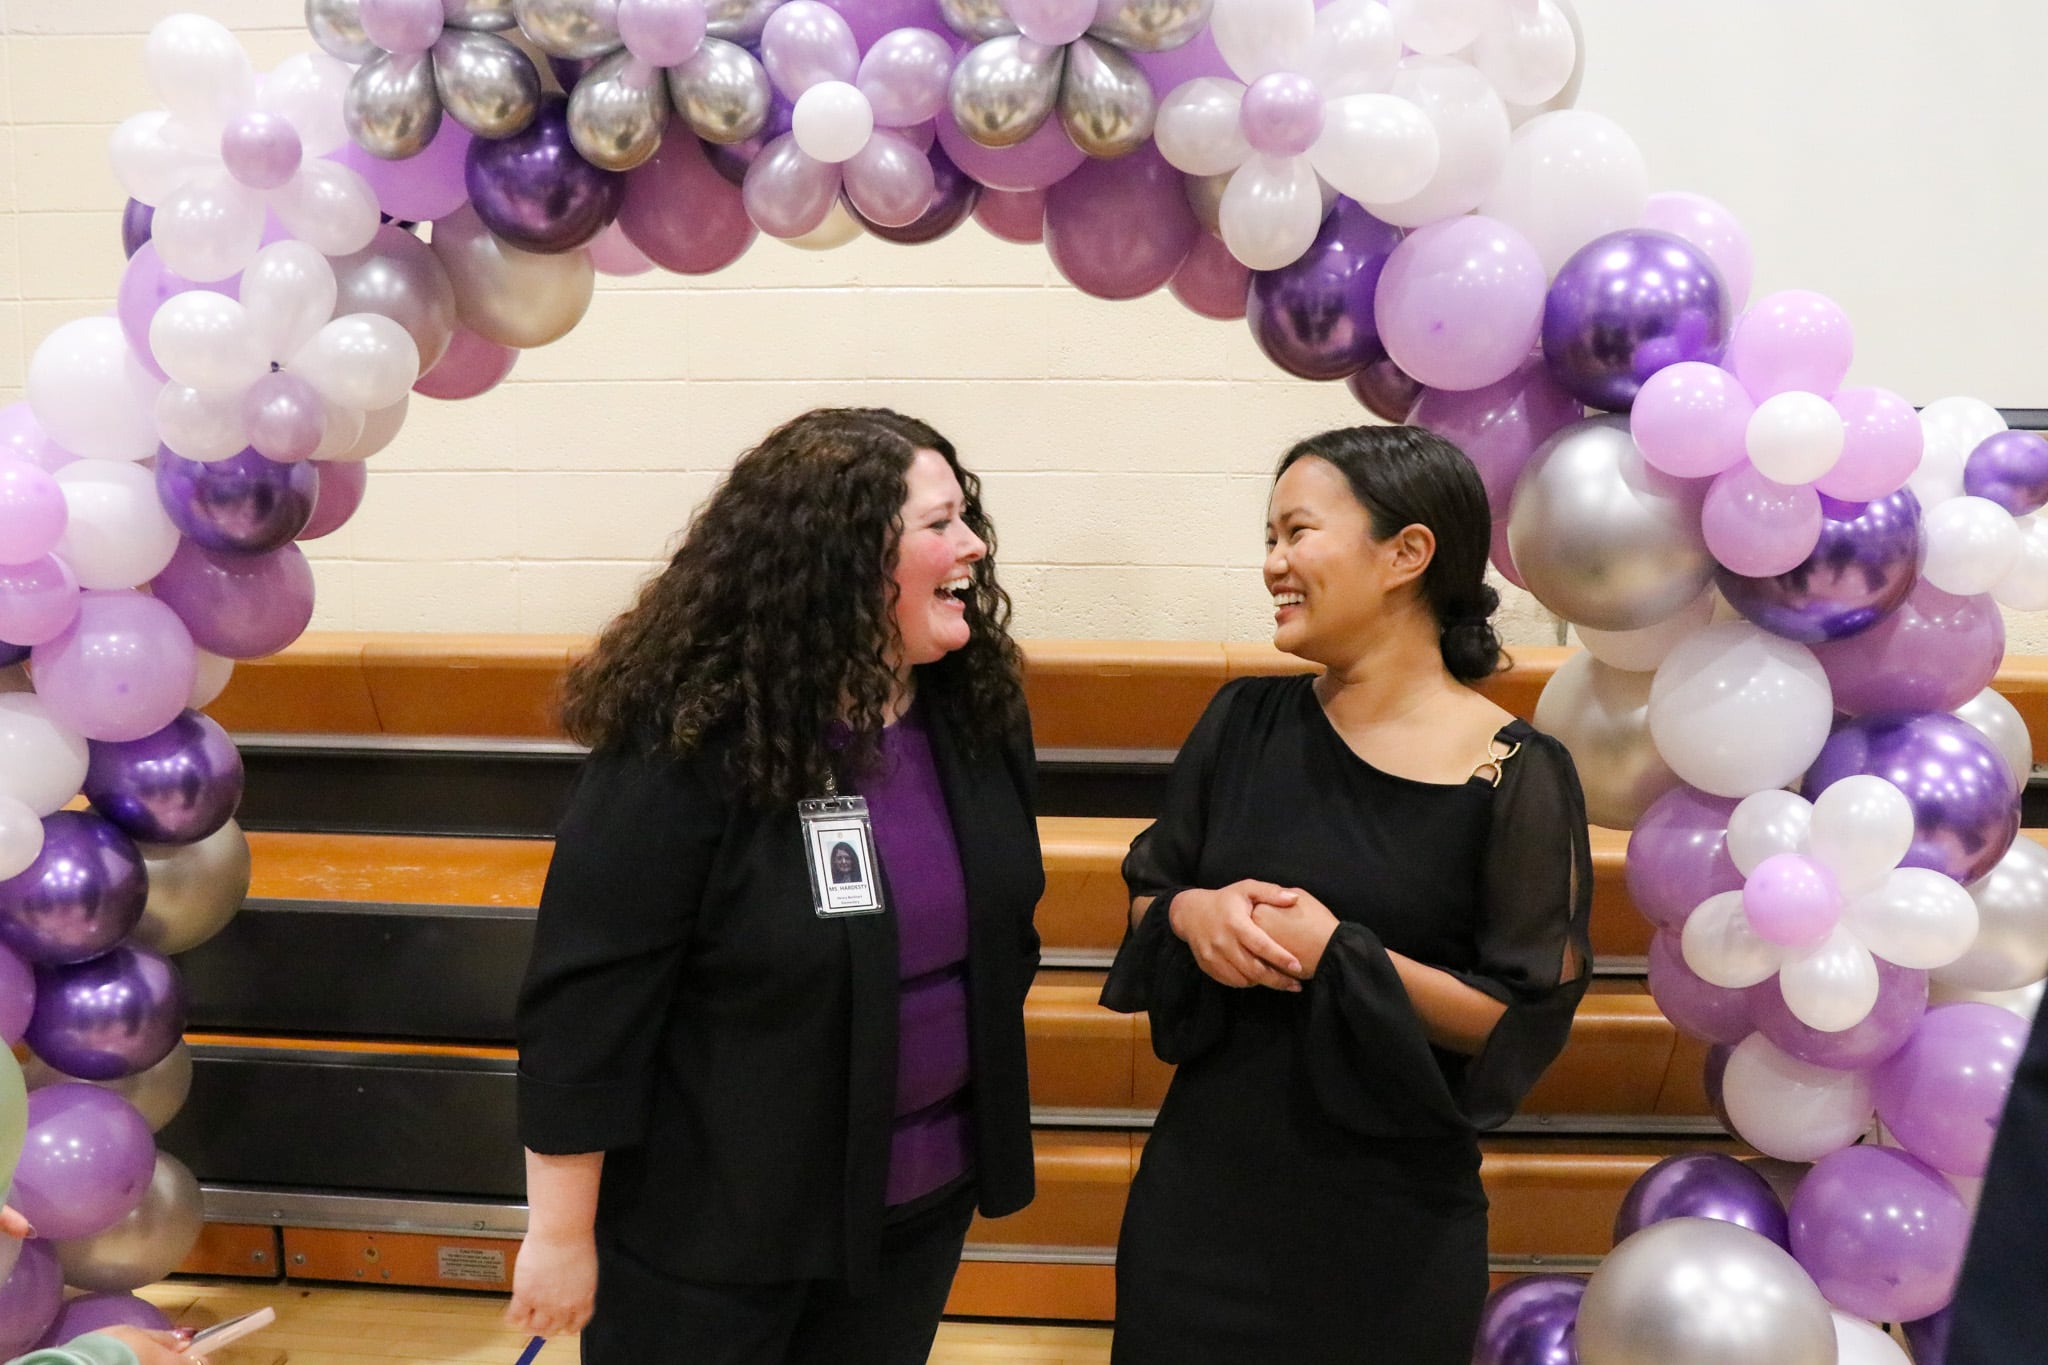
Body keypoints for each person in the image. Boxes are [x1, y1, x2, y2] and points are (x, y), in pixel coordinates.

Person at [507, 408, 1043, 1364]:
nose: (971, 545)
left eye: (966, 516)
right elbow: (587, 1010)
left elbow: (1002, 945)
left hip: (912, 1212)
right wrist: (558, 1235)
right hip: (713, 1240)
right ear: (839, 560)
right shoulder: (683, 752)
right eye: (938, 523)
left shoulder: (973, 718)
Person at [1100, 425, 1593, 1364]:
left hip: (1389, 1229)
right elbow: (1147, 898)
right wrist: (1192, 914)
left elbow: (1518, 1021)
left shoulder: (1518, 773)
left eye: (1297, 533)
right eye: (1270, 539)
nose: (1273, 564)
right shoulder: (1241, 721)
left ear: (1407, 553)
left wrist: (1342, 952)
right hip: (1200, 1205)